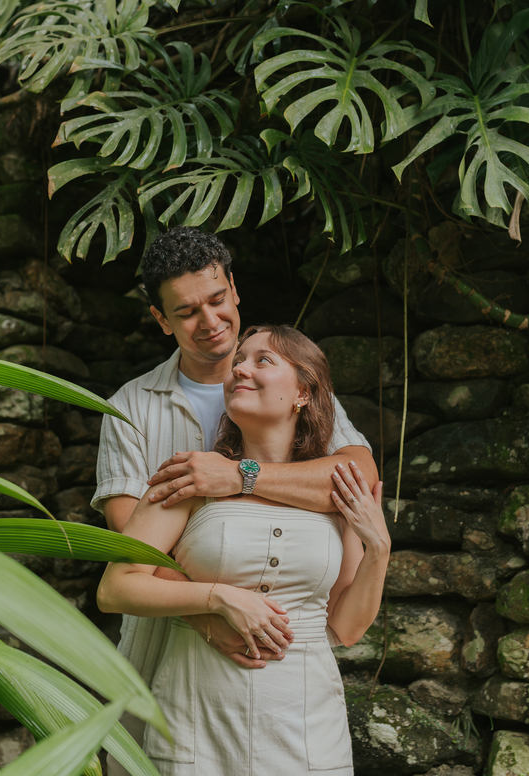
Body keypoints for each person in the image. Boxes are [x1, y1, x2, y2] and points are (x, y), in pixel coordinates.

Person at [90, 227, 378, 774]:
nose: (210, 322)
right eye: (187, 312)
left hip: (296, 697)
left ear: (234, 289)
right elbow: (130, 551)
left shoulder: (295, 384)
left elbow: (356, 478)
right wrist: (210, 610)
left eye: (217, 300)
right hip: (168, 648)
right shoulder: (129, 407)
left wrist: (238, 477)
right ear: (161, 320)